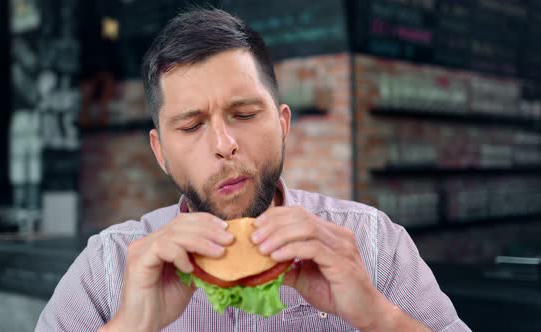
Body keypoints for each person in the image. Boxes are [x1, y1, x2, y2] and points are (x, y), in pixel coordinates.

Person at [35, 8, 470, 332]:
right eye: (191, 125)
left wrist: (378, 316)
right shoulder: (108, 267)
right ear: (160, 152)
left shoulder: (374, 244)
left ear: (282, 124)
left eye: (244, 114)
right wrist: (130, 324)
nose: (224, 145)